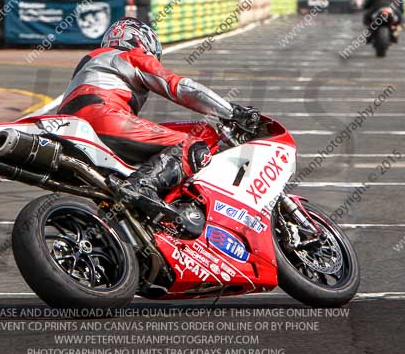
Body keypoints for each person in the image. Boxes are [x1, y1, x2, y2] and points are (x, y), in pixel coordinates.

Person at [57, 18, 258, 217]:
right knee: (191, 146)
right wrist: (232, 112)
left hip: (71, 126)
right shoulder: (131, 55)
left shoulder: (91, 61)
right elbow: (180, 87)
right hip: (104, 118)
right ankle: (141, 186)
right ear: (140, 38)